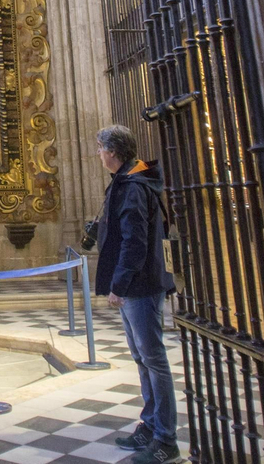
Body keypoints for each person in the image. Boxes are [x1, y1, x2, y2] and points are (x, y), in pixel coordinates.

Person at [93, 124, 179, 464]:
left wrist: (119, 285)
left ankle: (166, 440)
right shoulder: (128, 180)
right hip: (137, 282)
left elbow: (135, 242)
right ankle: (151, 424)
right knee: (143, 358)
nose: (99, 154)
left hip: (140, 285)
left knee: (153, 359)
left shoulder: (132, 186)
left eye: (101, 148)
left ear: (113, 151)